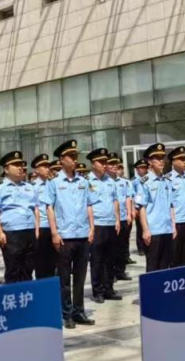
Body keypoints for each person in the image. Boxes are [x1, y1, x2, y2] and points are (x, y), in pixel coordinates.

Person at [41, 140, 95, 328]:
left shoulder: (83, 181)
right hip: (64, 236)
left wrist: (92, 228)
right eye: (71, 156)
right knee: (64, 279)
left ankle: (79, 311)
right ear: (61, 159)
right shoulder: (54, 182)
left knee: (80, 277)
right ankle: (67, 313)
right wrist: (54, 233)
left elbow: (89, 205)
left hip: (82, 235)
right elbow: (49, 208)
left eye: (75, 156)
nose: (74, 159)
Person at [0, 151, 39, 284]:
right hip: (12, 233)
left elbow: (35, 209)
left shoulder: (29, 187)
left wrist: (36, 229)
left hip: (29, 231)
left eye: (21, 164)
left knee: (28, 269)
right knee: (13, 269)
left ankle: (27, 294)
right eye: (15, 165)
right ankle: (12, 295)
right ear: (6, 169)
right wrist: (0, 232)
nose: (20, 167)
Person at [85, 148, 120, 301]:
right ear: (93, 164)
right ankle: (98, 290)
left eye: (105, 162)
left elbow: (115, 201)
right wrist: (90, 226)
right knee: (97, 260)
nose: (104, 165)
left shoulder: (110, 182)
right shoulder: (86, 181)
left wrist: (117, 219)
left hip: (110, 223)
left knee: (110, 259)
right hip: (97, 225)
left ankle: (109, 289)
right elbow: (86, 205)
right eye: (101, 162)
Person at [135, 142, 176, 271]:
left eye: (162, 157)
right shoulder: (145, 182)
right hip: (154, 230)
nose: (161, 161)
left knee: (165, 267)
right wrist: (145, 229)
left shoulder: (167, 181)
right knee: (153, 267)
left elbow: (171, 205)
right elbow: (141, 207)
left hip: (167, 229)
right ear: (149, 161)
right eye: (157, 158)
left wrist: (173, 226)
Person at [108, 154, 133, 281]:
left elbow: (128, 198)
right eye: (111, 164)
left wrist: (129, 213)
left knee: (122, 247)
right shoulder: (106, 182)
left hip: (123, 218)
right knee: (111, 248)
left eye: (116, 164)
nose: (115, 166)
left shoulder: (124, 182)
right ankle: (111, 273)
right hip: (111, 220)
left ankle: (120, 271)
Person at [32, 154, 57, 279]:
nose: (47, 169)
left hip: (55, 227)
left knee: (53, 261)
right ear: (36, 170)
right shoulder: (33, 187)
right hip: (42, 226)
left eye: (48, 166)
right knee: (41, 261)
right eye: (44, 166)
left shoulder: (53, 184)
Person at [131, 158, 150, 256]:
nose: (143, 170)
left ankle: (147, 245)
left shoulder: (148, 179)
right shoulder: (134, 181)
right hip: (138, 207)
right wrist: (135, 208)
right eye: (141, 168)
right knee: (140, 228)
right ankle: (141, 247)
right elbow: (132, 195)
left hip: (147, 208)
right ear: (137, 169)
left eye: (145, 167)